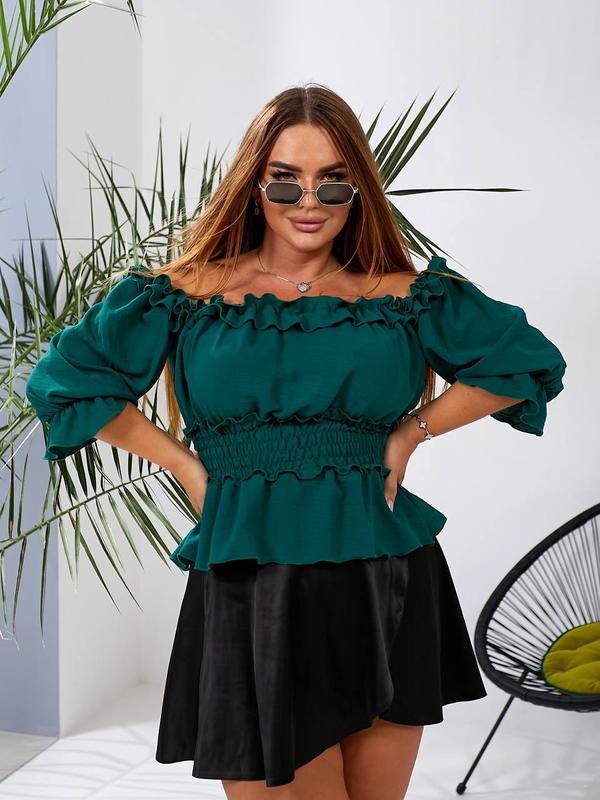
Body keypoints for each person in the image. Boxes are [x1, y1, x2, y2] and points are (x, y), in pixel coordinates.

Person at [25, 83, 567, 800]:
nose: (309, 202)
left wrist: (411, 432)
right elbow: (67, 382)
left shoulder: (404, 295)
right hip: (253, 580)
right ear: (255, 187)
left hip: (385, 575)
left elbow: (524, 363)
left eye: (332, 182)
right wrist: (184, 465)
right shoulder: (186, 295)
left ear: (357, 191)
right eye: (286, 180)